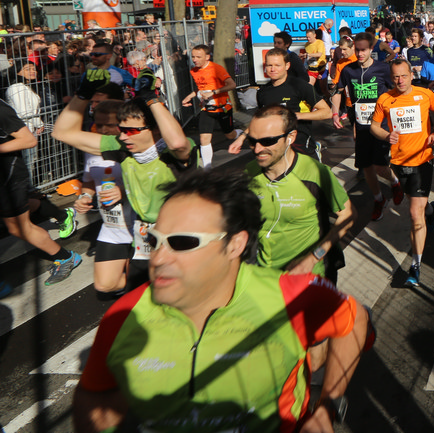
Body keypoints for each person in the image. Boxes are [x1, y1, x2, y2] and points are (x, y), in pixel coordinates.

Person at [72, 169, 374, 433]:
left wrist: (327, 406)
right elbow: (92, 395)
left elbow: (355, 319)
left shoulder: (291, 296)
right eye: (154, 240)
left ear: (235, 244)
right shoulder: (125, 314)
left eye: (182, 242)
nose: (159, 258)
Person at [54, 69, 197, 286]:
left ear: (155, 130)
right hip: (145, 236)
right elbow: (62, 133)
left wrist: (151, 98)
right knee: (135, 290)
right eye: (121, 130)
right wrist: (83, 94)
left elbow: (177, 143)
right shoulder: (123, 147)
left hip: (182, 236)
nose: (122, 136)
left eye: (131, 131)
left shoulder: (173, 152)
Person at [245, 106, 356, 280]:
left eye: (267, 141)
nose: (257, 149)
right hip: (266, 277)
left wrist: (314, 257)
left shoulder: (315, 173)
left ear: (291, 137)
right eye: (252, 141)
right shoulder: (250, 173)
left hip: (310, 277)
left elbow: (348, 214)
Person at [371, 59, 434, 288]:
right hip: (399, 162)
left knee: (414, 213)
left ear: (412, 75)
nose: (400, 80)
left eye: (404, 75)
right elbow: (374, 126)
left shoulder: (424, 94)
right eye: (395, 77)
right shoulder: (385, 99)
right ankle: (431, 210)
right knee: (418, 205)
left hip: (422, 160)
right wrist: (386, 136)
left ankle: (415, 266)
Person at [0, 97, 82, 286]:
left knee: (19, 227)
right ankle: (63, 215)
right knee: (22, 210)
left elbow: (28, 140)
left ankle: (66, 257)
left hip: (9, 178)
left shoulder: (1, 110)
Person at [331, 33, 401, 219]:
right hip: (361, 126)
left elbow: (395, 92)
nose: (360, 54)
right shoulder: (348, 70)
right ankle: (379, 199)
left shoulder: (383, 68)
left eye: (364, 50)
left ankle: (395, 181)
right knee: (366, 166)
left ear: (371, 49)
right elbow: (338, 91)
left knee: (380, 166)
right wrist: (335, 113)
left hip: (381, 126)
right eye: (358, 50)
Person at [72, 99, 133, 297]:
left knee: (142, 281)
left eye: (110, 124)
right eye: (99, 124)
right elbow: (89, 181)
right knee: (105, 286)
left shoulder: (133, 146)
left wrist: (123, 191)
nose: (103, 130)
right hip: (113, 226)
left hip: (140, 225)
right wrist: (85, 196)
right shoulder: (92, 149)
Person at [230, 48, 331, 158]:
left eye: (277, 65)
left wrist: (297, 116)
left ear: (287, 66)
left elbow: (327, 112)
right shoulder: (262, 92)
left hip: (301, 146)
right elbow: (259, 120)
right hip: (277, 148)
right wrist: (241, 138)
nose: (273, 69)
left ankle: (316, 149)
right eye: (269, 65)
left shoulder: (300, 86)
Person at [181, 44, 239, 168]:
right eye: (193, 57)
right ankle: (208, 169)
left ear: (207, 57)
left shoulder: (216, 69)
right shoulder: (194, 70)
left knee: (230, 135)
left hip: (223, 108)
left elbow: (232, 85)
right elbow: (201, 88)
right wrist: (190, 96)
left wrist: (213, 92)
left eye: (198, 57)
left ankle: (241, 134)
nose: (195, 59)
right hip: (207, 109)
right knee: (204, 139)